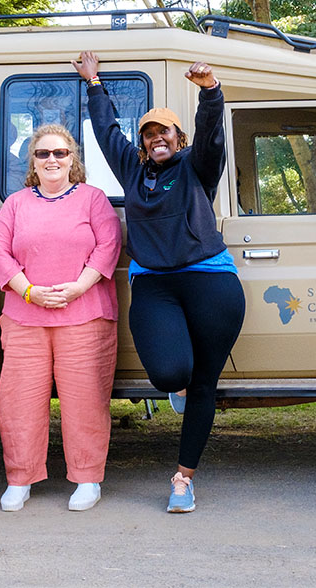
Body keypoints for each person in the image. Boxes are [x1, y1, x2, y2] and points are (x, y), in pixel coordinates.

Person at [73, 51, 245, 513]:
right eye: (148, 134)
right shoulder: (133, 171)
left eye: (163, 132)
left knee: (205, 382)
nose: (155, 139)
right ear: (144, 144)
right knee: (171, 373)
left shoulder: (196, 167)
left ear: (178, 138)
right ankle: (179, 384)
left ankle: (184, 478)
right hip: (154, 283)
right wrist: (93, 84)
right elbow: (107, 133)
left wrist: (210, 91)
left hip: (210, 279)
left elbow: (212, 137)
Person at [0, 125, 121, 513]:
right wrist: (29, 290)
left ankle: (87, 478)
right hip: (25, 316)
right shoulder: (15, 204)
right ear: (32, 160)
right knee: (19, 402)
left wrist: (80, 286)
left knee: (85, 401)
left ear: (72, 159)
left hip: (84, 314)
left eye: (60, 153)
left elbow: (108, 244)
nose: (52, 160)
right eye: (43, 153)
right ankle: (20, 479)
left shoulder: (93, 200)